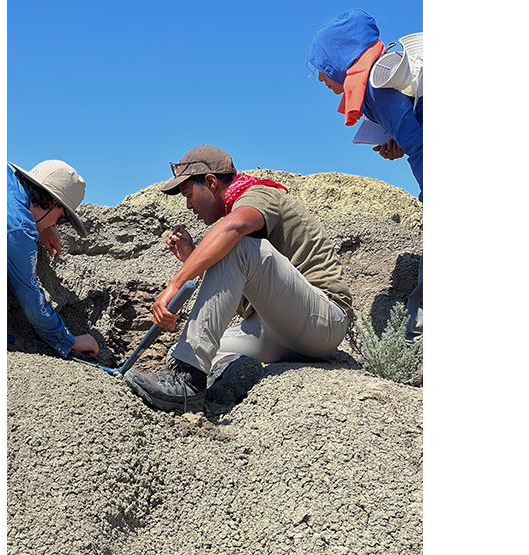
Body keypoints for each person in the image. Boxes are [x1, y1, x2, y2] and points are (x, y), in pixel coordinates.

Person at [123, 146, 354, 411]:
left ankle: (189, 382)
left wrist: (175, 284)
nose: (188, 206)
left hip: (324, 322)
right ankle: (231, 376)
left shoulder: (259, 194)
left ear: (210, 182)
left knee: (237, 245)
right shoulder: (235, 223)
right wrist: (191, 258)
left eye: (188, 195)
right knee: (180, 352)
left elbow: (233, 228)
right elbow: (244, 307)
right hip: (279, 332)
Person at [308, 8, 423, 342]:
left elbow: (421, 146)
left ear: (342, 58)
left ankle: (417, 346)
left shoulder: (376, 84)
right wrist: (399, 142)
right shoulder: (381, 77)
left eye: (324, 66)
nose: (320, 78)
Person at [7, 160, 99, 358]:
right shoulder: (19, 228)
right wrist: (69, 340)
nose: (57, 225)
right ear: (51, 203)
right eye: (62, 218)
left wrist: (46, 226)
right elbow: (31, 299)